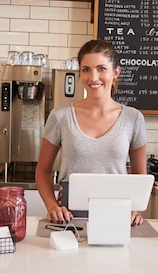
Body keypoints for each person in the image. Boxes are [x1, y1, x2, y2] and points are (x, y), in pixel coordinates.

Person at [36, 39, 147, 226]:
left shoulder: (133, 118)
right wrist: (52, 206)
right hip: (69, 215)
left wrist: (134, 208)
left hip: (117, 213)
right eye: (86, 69)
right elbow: (42, 171)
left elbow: (139, 173)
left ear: (115, 73)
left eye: (102, 68)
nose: (93, 77)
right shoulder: (60, 116)